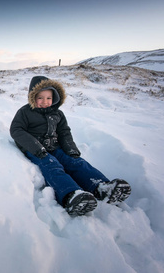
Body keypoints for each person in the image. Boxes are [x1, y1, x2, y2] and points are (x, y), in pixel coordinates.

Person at [10, 76, 131, 216]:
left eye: (49, 98)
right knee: (52, 166)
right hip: (35, 150)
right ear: (32, 97)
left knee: (76, 162)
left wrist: (71, 149)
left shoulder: (58, 114)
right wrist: (36, 148)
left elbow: (64, 132)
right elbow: (16, 130)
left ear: (54, 98)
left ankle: (101, 187)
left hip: (55, 147)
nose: (45, 102)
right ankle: (70, 195)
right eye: (40, 98)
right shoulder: (25, 112)